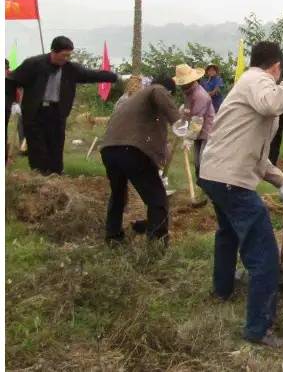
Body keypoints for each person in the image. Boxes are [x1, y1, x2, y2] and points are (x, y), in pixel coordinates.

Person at [198, 41, 283, 347]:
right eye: (282, 73)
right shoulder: (257, 81)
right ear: (275, 67)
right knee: (264, 257)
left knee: (228, 235)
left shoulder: (249, 85)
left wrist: (282, 183)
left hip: (215, 174)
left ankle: (221, 290)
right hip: (230, 181)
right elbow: (272, 103)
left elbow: (257, 157)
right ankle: (258, 329)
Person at [6, 36, 117, 175]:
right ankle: (39, 175)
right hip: (35, 112)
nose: (66, 58)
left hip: (56, 112)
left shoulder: (70, 69)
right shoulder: (33, 64)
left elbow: (92, 75)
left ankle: (56, 173)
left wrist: (115, 77)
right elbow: (12, 80)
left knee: (56, 144)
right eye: (64, 55)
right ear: (54, 51)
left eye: (69, 55)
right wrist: (10, 102)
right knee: (37, 145)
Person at [100, 76, 184, 244]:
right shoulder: (156, 90)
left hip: (109, 149)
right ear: (169, 93)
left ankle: (113, 237)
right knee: (157, 199)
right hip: (130, 150)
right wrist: (180, 124)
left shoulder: (131, 103)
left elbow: (153, 136)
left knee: (117, 195)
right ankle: (157, 244)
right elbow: (159, 91)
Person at [173, 64, 215, 181]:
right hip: (197, 132)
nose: (181, 86)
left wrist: (188, 139)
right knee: (197, 162)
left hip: (207, 131)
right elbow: (188, 110)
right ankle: (201, 186)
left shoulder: (200, 95)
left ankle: (209, 191)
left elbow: (197, 121)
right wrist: (182, 117)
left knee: (203, 163)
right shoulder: (188, 92)